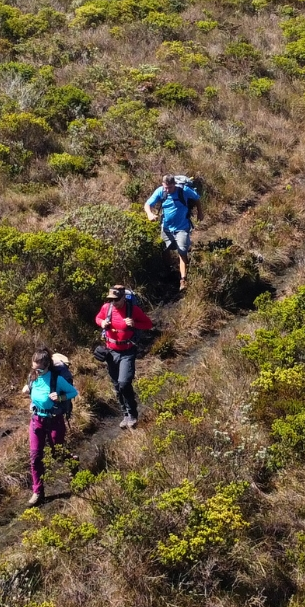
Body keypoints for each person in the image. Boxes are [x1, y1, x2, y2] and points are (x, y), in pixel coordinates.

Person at [94, 283, 154, 428]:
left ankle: (132, 413)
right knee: (116, 385)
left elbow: (148, 324)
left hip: (127, 351)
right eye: (111, 299)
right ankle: (125, 414)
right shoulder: (106, 308)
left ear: (123, 298)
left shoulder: (133, 310)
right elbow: (98, 318)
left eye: (116, 299)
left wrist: (134, 324)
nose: (113, 302)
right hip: (111, 352)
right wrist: (102, 323)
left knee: (124, 383)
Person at [23, 349, 77, 507]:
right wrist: (27, 389)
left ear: (47, 366)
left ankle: (73, 462)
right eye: (34, 368)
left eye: (39, 369)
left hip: (54, 420)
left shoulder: (56, 379)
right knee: (35, 457)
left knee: (57, 453)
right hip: (36, 420)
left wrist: (60, 397)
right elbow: (31, 388)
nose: (36, 372)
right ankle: (38, 492)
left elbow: (73, 392)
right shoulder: (33, 376)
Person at [143, 173, 200, 290]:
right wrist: (149, 214)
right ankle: (169, 271)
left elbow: (196, 198)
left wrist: (200, 212)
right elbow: (148, 204)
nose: (167, 190)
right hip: (166, 228)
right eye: (165, 187)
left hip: (182, 227)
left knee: (182, 251)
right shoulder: (160, 191)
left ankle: (183, 280)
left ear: (174, 184)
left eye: (169, 187)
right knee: (165, 249)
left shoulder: (183, 190)